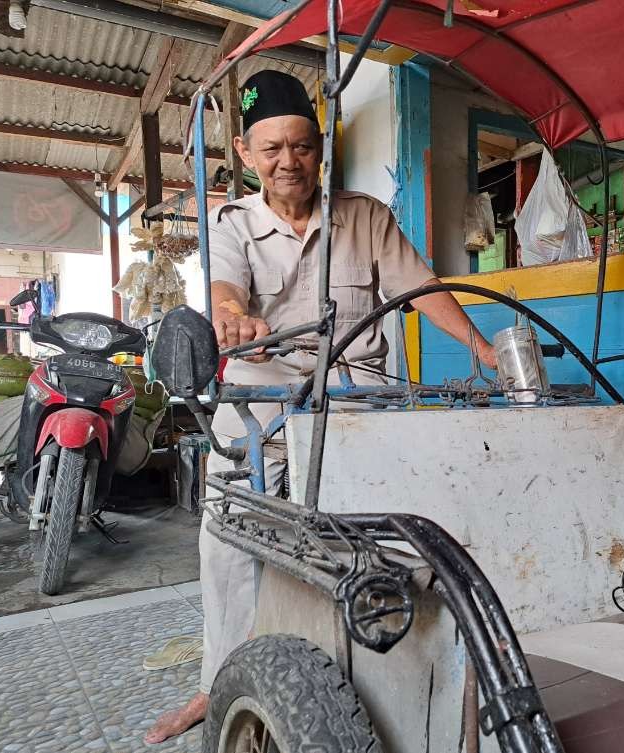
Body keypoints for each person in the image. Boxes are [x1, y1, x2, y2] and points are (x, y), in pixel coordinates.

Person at [145, 69, 497, 744]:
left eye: (301, 145)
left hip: (353, 405)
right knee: (228, 545)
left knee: (392, 536)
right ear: (246, 155)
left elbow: (420, 286)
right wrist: (233, 317)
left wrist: (481, 346)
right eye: (271, 148)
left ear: (320, 148)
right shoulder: (232, 222)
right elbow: (224, 292)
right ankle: (219, 679)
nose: (288, 161)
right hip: (257, 407)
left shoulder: (363, 216)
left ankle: (395, 677)